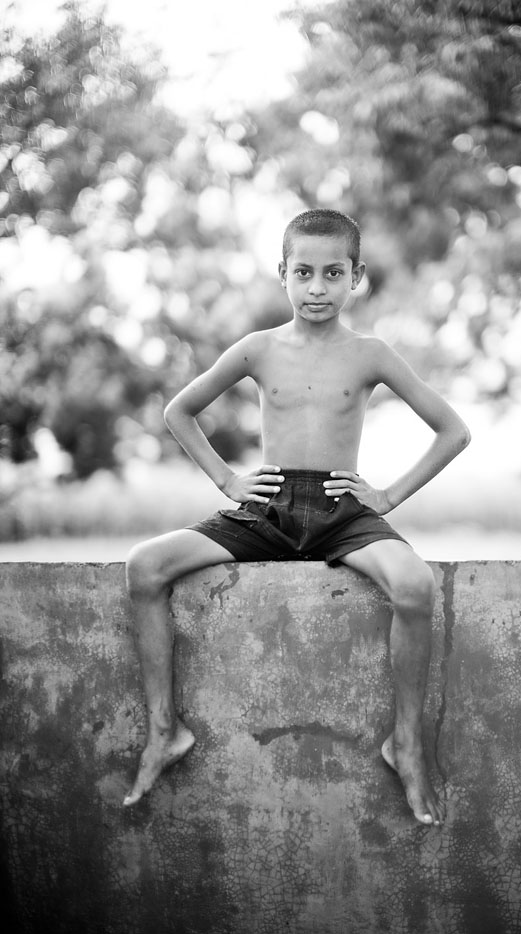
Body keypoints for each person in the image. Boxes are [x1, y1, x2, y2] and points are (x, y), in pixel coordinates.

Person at [124, 208, 470, 826]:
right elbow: (180, 411)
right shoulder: (258, 349)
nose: (317, 288)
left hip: (342, 513)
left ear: (356, 277)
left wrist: (387, 497)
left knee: (416, 587)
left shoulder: (371, 354)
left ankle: (407, 744)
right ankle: (163, 732)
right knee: (145, 566)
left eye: (333, 273)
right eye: (303, 272)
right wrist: (229, 480)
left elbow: (453, 431)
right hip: (268, 511)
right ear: (282, 273)